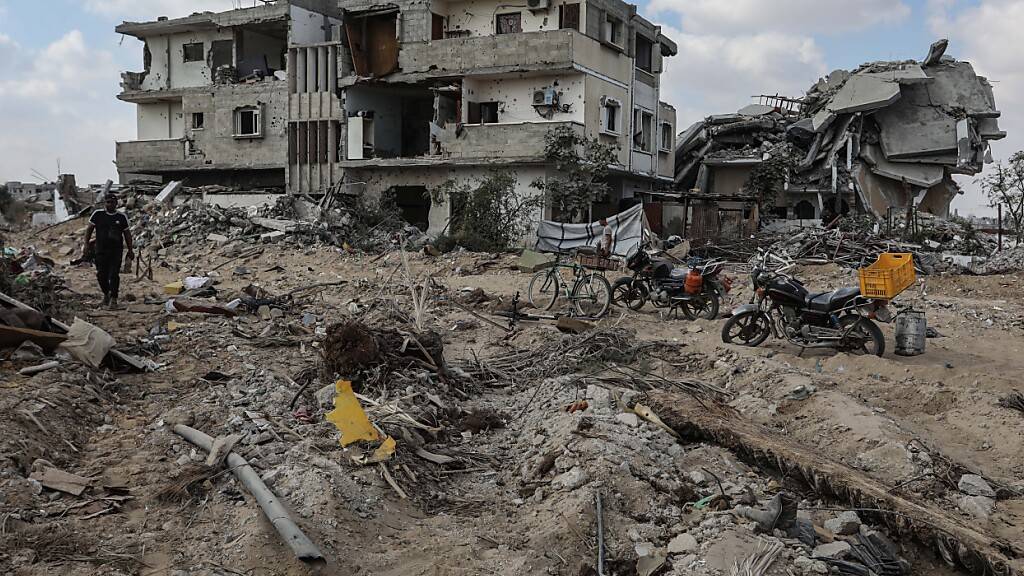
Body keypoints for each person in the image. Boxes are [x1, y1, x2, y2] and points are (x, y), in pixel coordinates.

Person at [84, 193, 133, 309]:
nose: (110, 204)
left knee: (114, 275)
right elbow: (89, 229)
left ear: (116, 203)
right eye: (108, 202)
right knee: (101, 275)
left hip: (116, 251)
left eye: (112, 202)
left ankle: (114, 299)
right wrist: (86, 244)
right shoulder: (98, 215)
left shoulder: (121, 217)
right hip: (100, 250)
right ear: (105, 203)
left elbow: (127, 234)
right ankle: (106, 294)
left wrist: (130, 250)